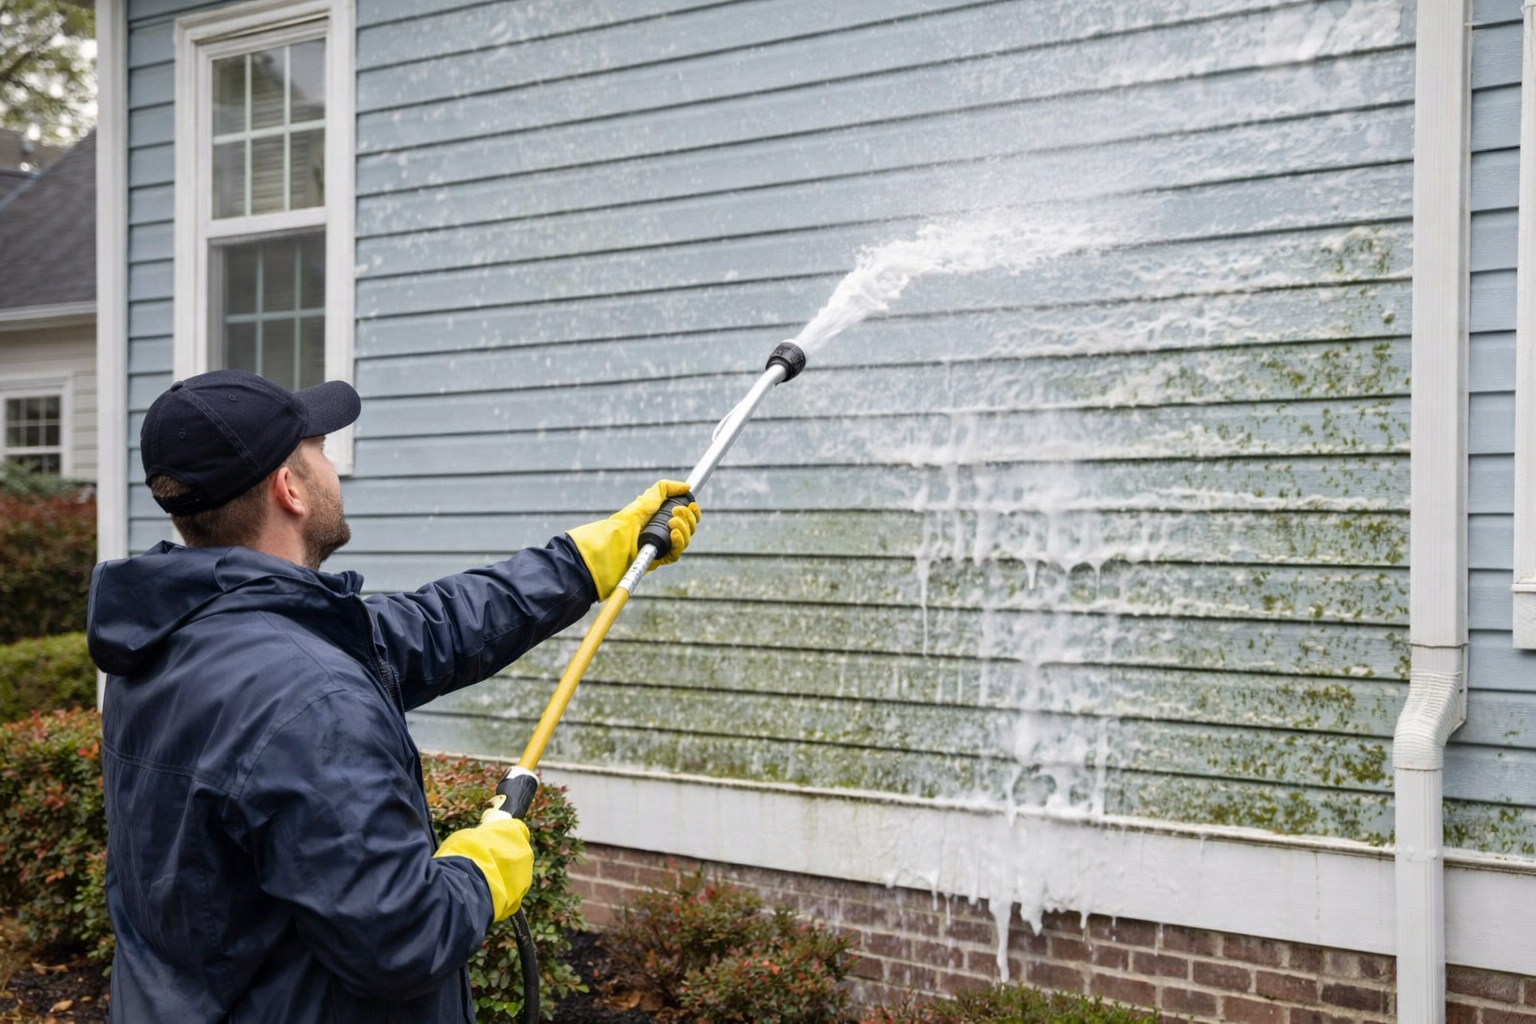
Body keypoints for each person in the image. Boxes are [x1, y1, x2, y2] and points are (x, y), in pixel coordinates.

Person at [86, 369, 700, 1023]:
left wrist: (582, 561)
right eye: (318, 449)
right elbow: (400, 939)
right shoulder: (309, 698)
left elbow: (436, 626)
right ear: (289, 488)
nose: (331, 467)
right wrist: (478, 874)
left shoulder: (175, 638)